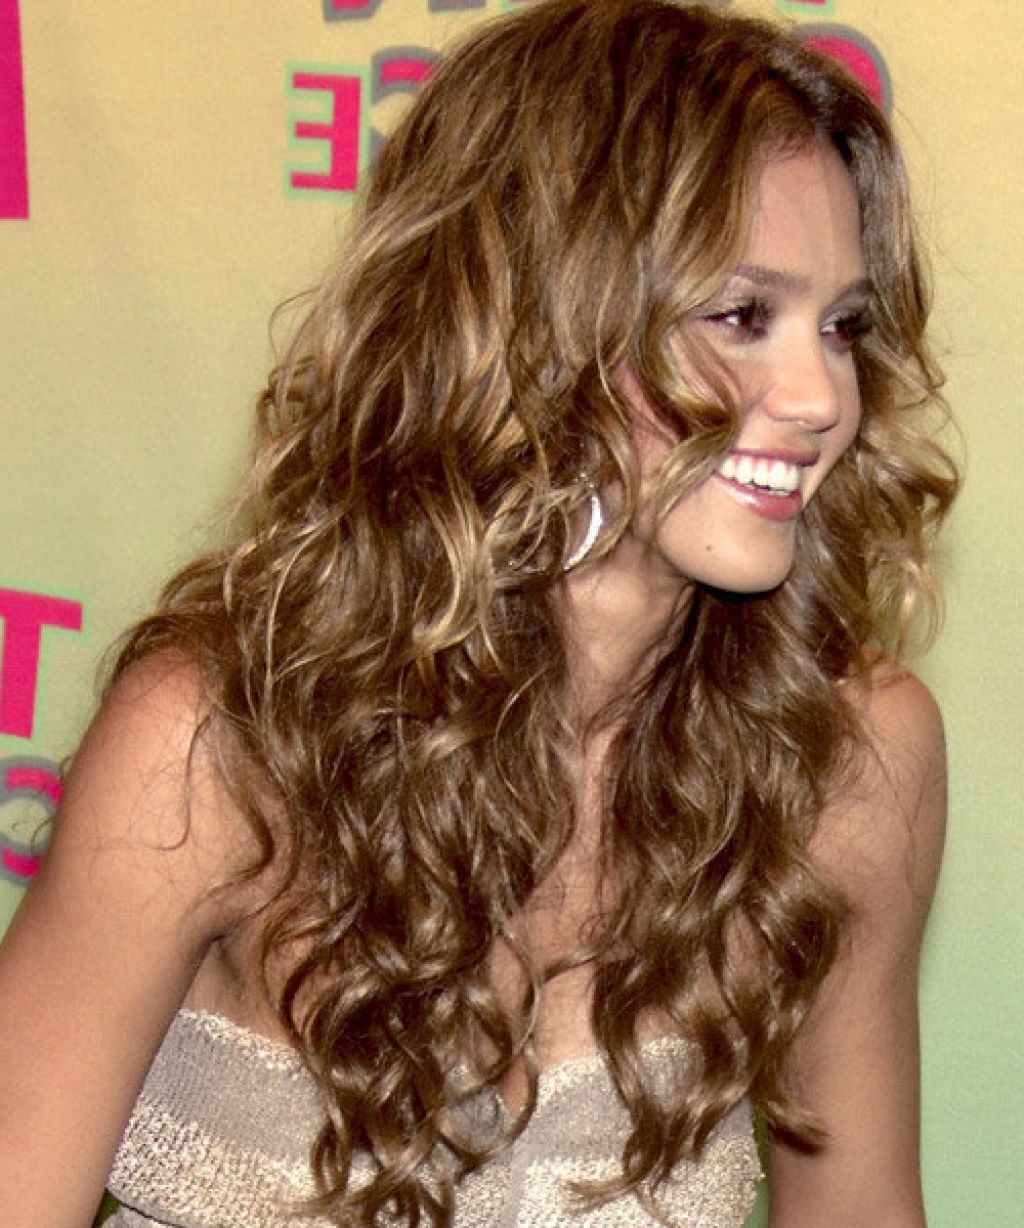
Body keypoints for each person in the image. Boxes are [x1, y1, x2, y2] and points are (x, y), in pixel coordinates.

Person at [0, 1, 958, 1225]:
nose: (821, 395)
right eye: (739, 317)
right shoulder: (219, 742)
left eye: (841, 326)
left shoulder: (847, 763)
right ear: (532, 317)